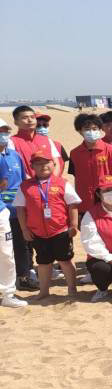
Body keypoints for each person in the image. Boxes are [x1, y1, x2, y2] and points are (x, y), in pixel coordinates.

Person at [13, 150, 80, 299]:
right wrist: (24, 229)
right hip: (37, 233)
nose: (43, 166)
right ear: (32, 167)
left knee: (65, 261)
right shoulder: (25, 186)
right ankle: (44, 291)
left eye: (46, 162)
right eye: (38, 163)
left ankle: (72, 289)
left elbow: (73, 205)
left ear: (54, 164)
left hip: (60, 231)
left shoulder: (62, 183)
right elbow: (20, 209)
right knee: (43, 263)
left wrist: (74, 225)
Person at [0, 118, 35, 294]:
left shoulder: (14, 155)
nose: (3, 135)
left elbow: (23, 181)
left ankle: (23, 277)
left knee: (21, 245)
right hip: (1, 210)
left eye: (5, 131)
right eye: (0, 132)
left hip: (16, 210)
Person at [68, 113, 112, 214]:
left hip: (107, 197)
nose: (91, 132)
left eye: (94, 129)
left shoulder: (111, 150)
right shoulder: (74, 153)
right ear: (80, 131)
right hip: (84, 200)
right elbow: (76, 177)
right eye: (87, 129)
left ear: (99, 129)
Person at [9, 105, 63, 178]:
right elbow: (14, 166)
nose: (30, 120)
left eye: (32, 117)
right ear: (16, 122)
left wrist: (51, 181)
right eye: (25, 118)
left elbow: (56, 163)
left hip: (50, 182)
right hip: (26, 183)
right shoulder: (11, 141)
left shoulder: (47, 140)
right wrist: (31, 182)